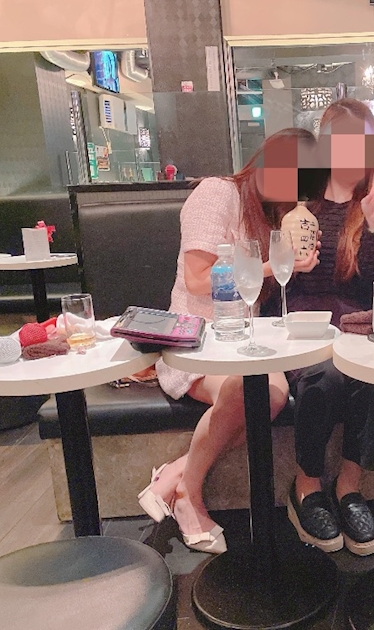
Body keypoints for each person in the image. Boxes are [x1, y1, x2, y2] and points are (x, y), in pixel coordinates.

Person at [137, 128, 321, 553]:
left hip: (244, 341)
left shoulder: (275, 215)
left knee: (271, 395)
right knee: (249, 392)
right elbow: (198, 279)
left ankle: (176, 474)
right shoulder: (217, 193)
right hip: (197, 342)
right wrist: (275, 265)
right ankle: (189, 496)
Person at [285, 98, 374, 556]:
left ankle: (349, 487)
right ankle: (306, 485)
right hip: (306, 325)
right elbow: (291, 280)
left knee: (373, 373)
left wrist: (373, 226)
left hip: (356, 325)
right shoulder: (300, 203)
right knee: (326, 375)